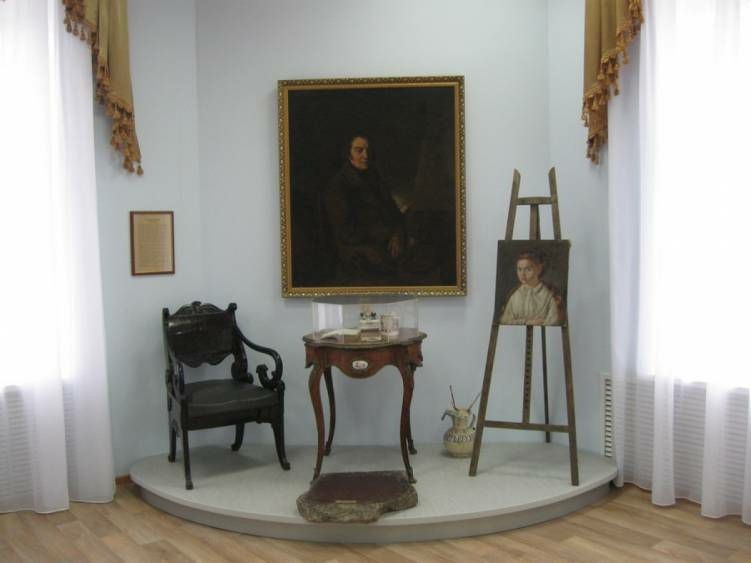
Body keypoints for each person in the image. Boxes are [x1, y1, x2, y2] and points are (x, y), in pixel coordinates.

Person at [324, 135, 406, 283]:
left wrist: (397, 234)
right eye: (359, 150)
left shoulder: (375, 177)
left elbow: (393, 210)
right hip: (358, 250)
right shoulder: (339, 185)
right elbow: (346, 231)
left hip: (386, 243)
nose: (366, 156)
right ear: (348, 153)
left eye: (368, 150)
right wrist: (387, 235)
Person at [500, 252, 562, 325]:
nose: (522, 274)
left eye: (528, 269)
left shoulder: (549, 295)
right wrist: (526, 322)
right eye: (519, 269)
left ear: (539, 269)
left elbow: (554, 321)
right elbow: (504, 320)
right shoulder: (515, 295)